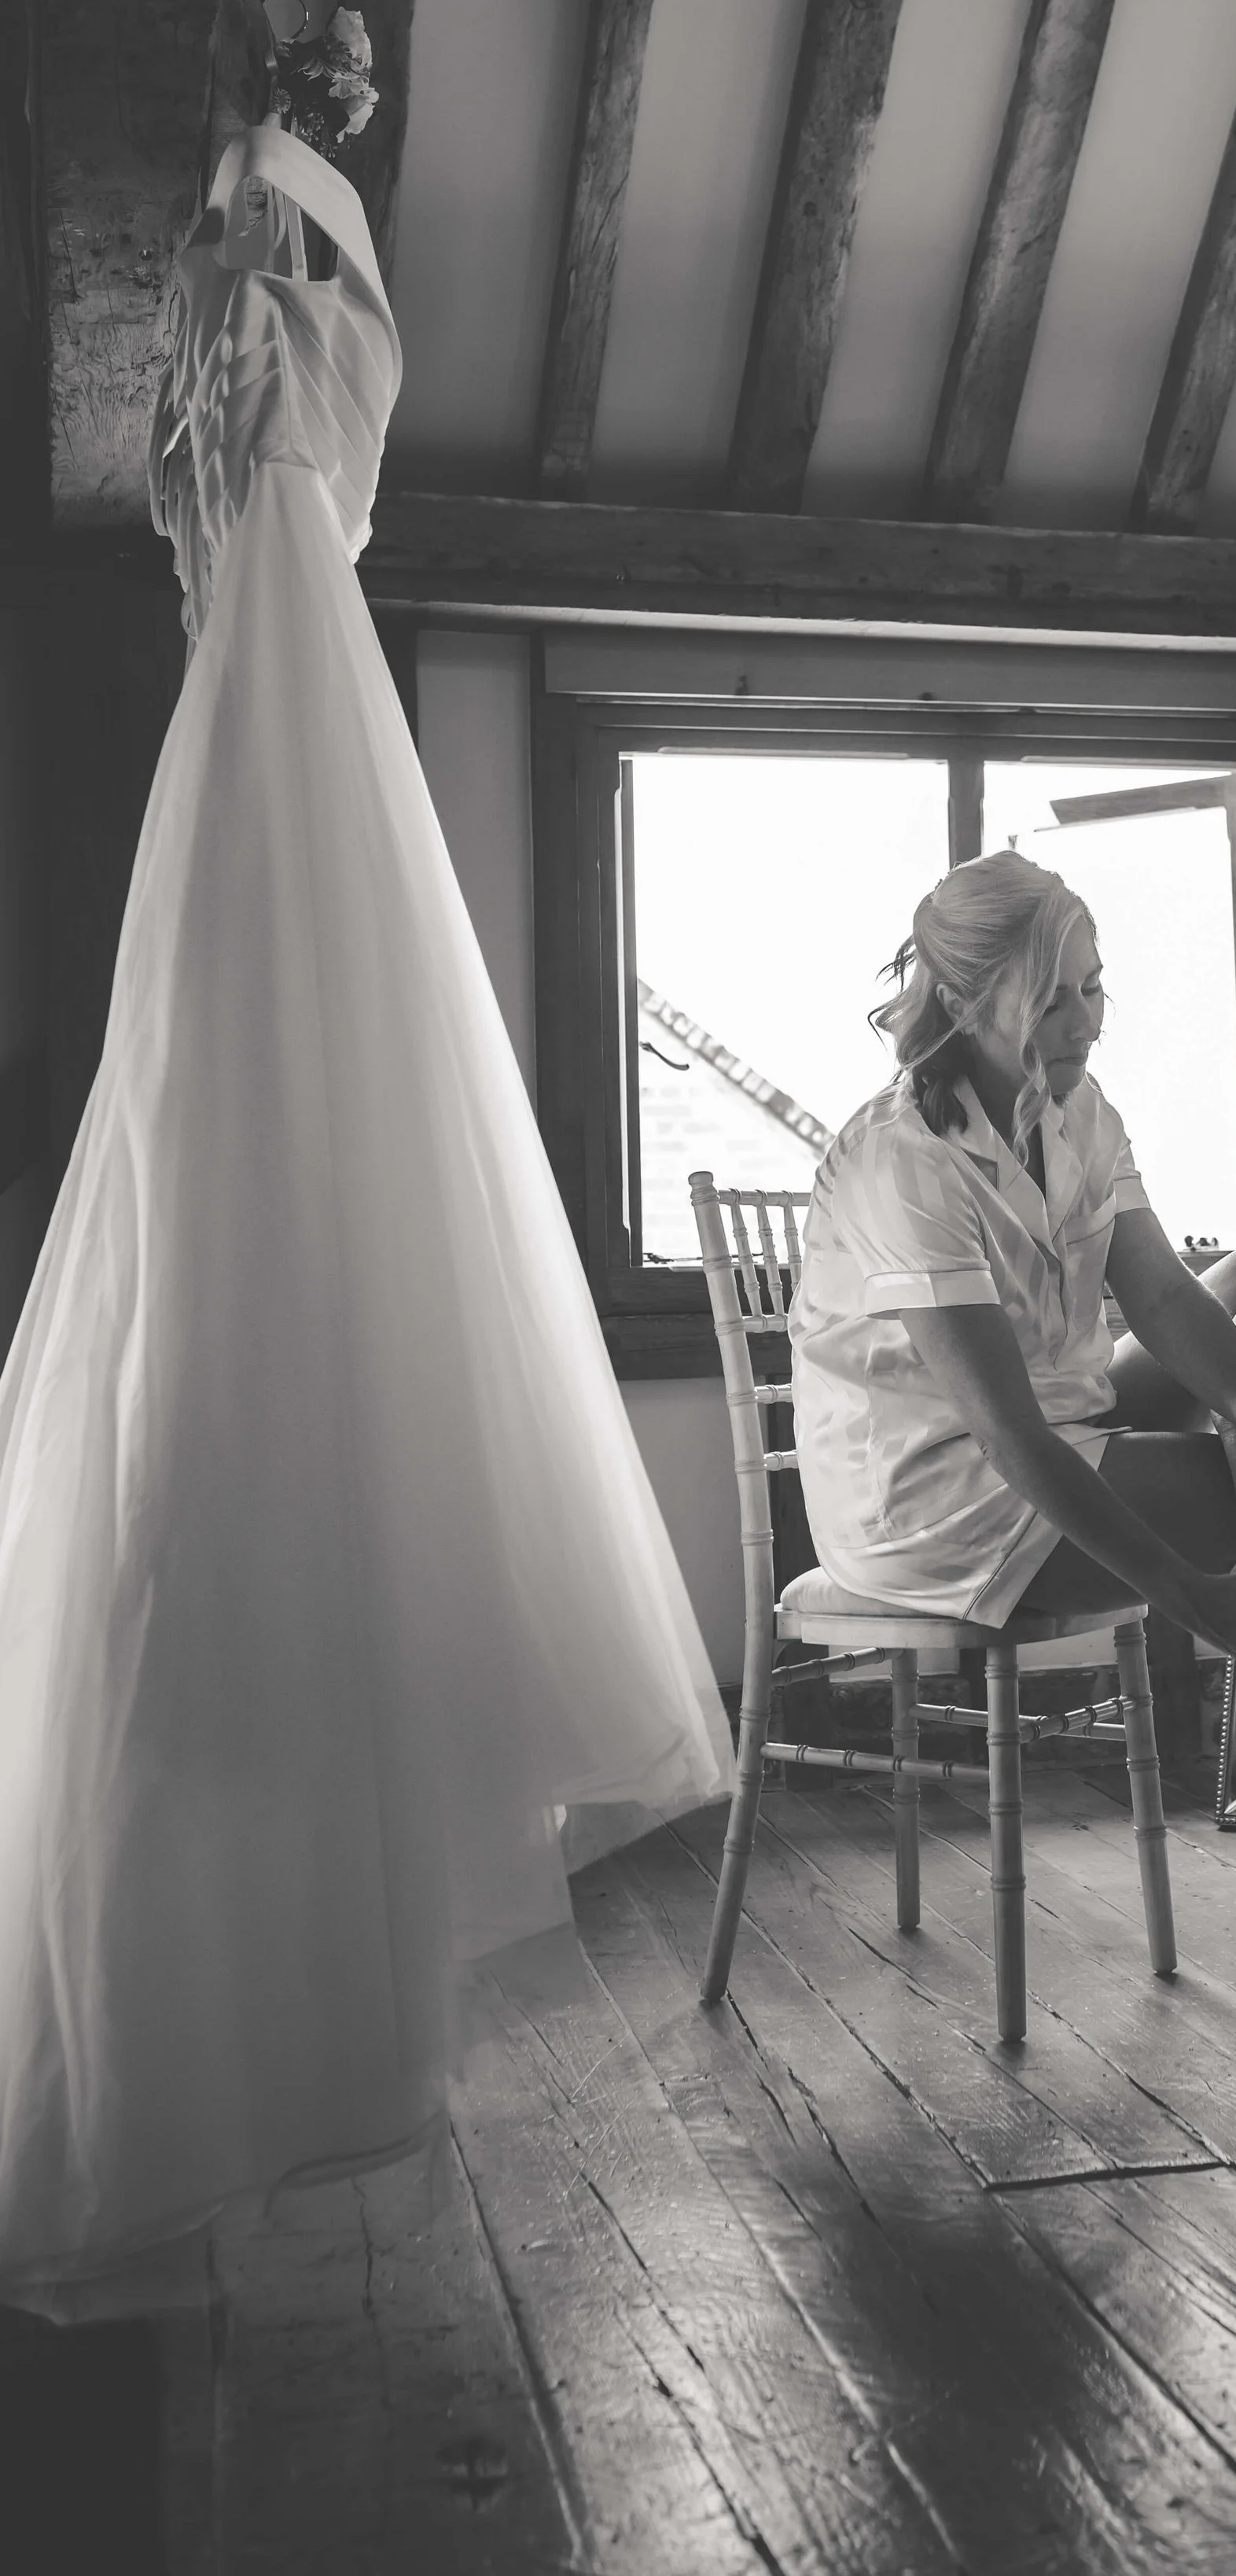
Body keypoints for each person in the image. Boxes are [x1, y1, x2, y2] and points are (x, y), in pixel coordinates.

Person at [0, 124, 733, 2316]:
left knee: (282, 1159)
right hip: (268, 746)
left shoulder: (266, 345)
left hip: (276, 726)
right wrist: (285, 171)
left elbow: (340, 371)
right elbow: (344, 364)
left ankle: (265, 1921)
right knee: (237, 1119)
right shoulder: (284, 335)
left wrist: (278, 174)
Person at [789, 851, 1236, 2060]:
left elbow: (1163, 1297)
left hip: (1062, 1413)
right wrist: (1196, 1603)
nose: (1086, 1020)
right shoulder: (905, 1161)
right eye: (1055, 998)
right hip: (940, 1486)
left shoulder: (1078, 1107)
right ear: (971, 1005)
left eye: (1095, 986)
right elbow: (1010, 1436)